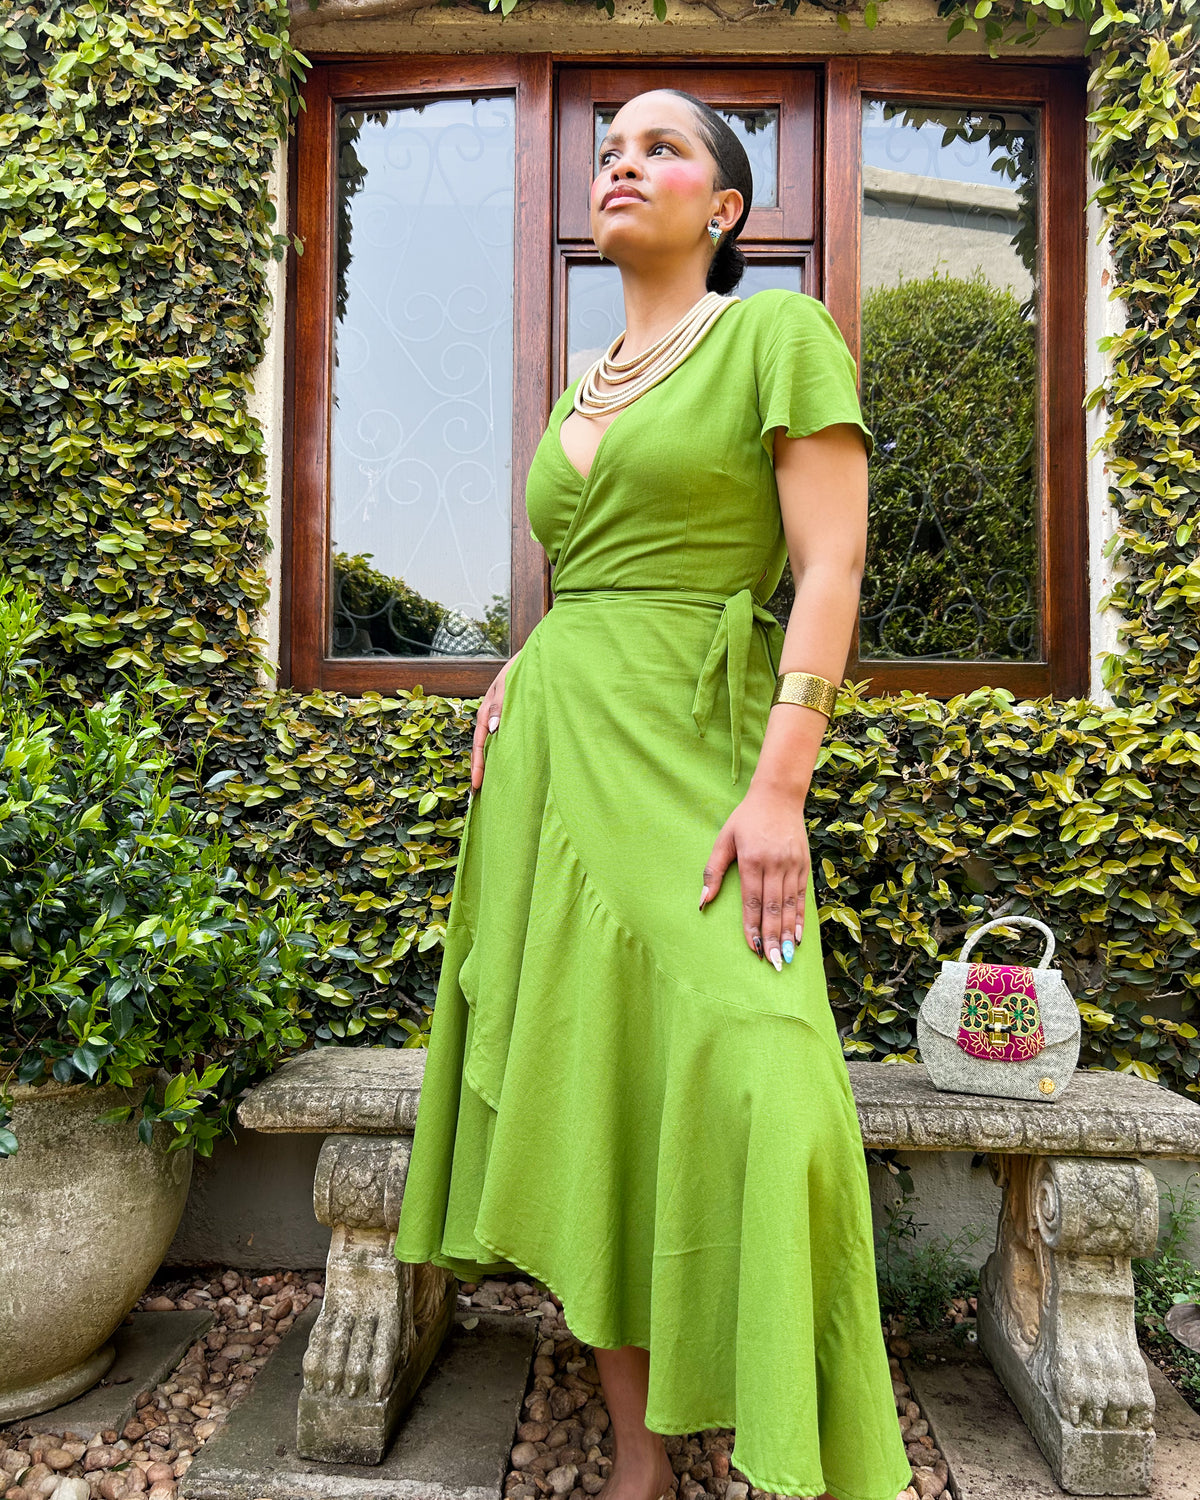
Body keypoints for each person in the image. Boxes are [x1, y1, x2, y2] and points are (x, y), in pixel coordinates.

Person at [393, 87, 912, 1500]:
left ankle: (807, 1443)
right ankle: (642, 1456)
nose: (622, 162)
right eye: (609, 147)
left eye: (661, 147)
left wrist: (782, 793)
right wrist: (523, 661)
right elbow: (590, 569)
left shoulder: (775, 335)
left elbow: (830, 571)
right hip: (556, 767)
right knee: (599, 1091)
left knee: (770, 1078)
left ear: (726, 208)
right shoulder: (584, 375)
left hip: (700, 761)